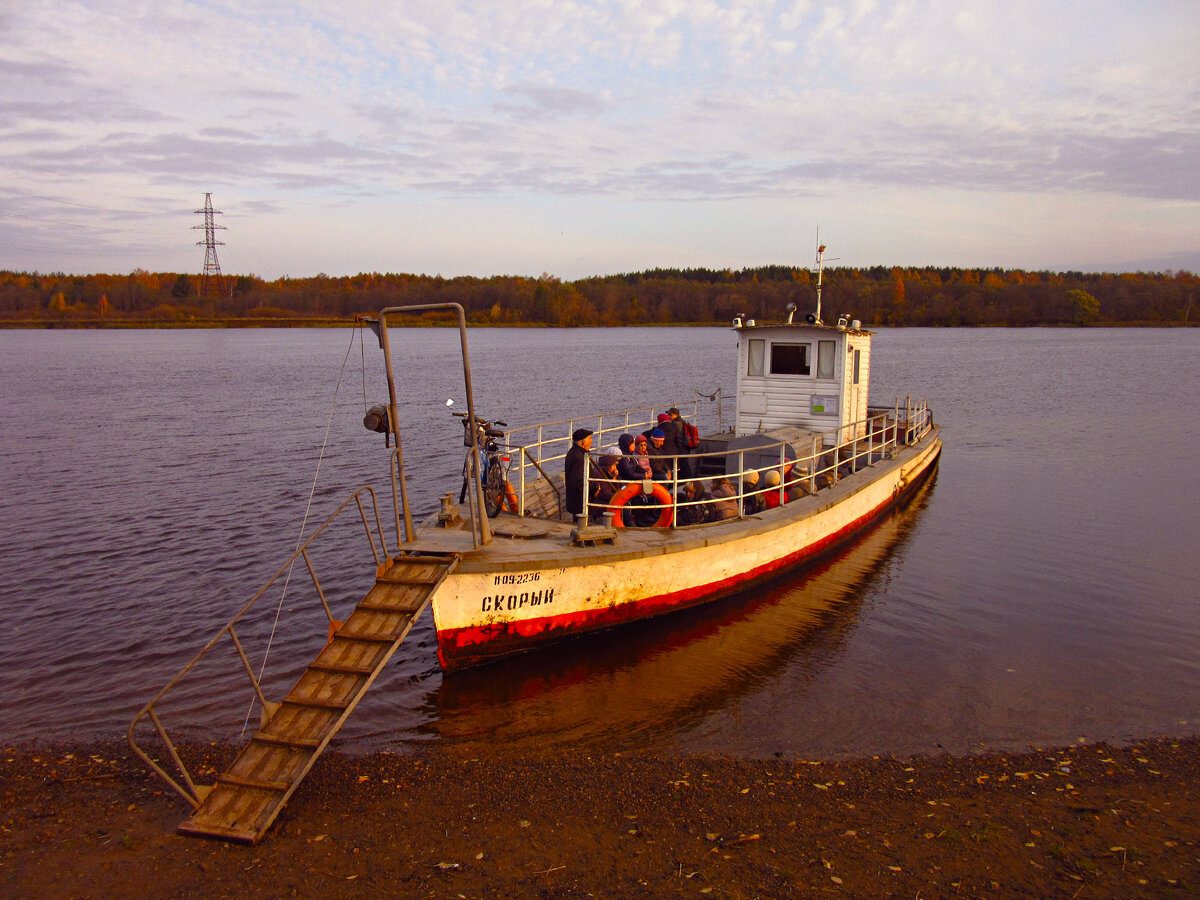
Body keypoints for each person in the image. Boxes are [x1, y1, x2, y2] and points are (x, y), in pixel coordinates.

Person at [564, 427, 594, 520]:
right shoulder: (579, 457)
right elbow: (578, 481)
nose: (591, 441)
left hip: (577, 501)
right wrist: (595, 487)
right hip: (580, 502)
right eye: (590, 439)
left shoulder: (574, 453)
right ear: (584, 442)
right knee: (582, 523)